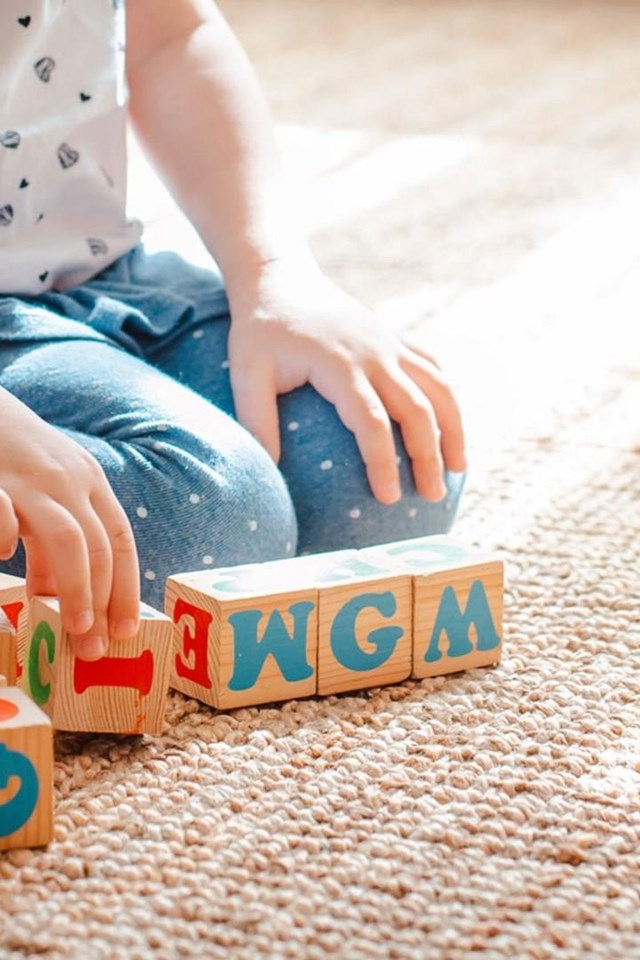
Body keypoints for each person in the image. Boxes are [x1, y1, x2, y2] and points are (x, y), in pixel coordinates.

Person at [0, 0, 466, 663]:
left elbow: (173, 38)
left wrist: (273, 275)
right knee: (215, 526)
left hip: (104, 274)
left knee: (383, 469)